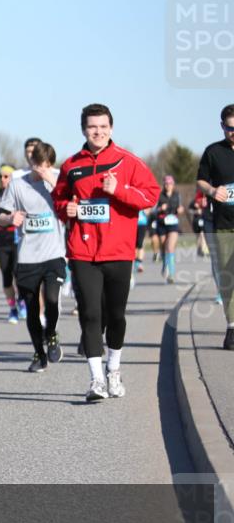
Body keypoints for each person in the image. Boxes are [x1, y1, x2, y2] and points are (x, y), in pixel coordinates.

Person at [53, 103, 160, 400]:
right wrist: (66, 209)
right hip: (82, 250)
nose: (97, 132)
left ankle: (114, 369)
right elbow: (59, 198)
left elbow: (151, 195)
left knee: (116, 316)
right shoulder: (71, 165)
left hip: (118, 251)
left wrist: (119, 190)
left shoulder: (128, 161)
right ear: (83, 130)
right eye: (91, 127)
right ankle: (96, 379)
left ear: (111, 128)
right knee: (89, 314)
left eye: (102, 127)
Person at [0, 141, 66, 372]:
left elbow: (71, 201)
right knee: (32, 309)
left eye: (46, 166)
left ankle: (52, 334)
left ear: (52, 164)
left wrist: (52, 181)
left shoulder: (59, 180)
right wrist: (10, 219)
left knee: (53, 300)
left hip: (54, 253)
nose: (42, 170)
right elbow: (0, 216)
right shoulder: (17, 185)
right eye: (38, 165)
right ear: (31, 163)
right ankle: (39, 353)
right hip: (27, 257)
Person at [195, 103, 234, 350]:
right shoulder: (212, 152)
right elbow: (200, 180)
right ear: (222, 127)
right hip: (223, 224)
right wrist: (211, 190)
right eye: (230, 128)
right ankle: (232, 326)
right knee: (228, 278)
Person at [0, 164, 23, 323]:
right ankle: (12, 309)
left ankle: (22, 301)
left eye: (6, 176)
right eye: (0, 176)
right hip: (2, 241)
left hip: (19, 240)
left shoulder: (20, 192)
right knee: (6, 278)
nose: (2, 179)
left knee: (19, 274)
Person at [154, 175, 184, 284]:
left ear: (173, 184)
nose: (168, 186)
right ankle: (164, 265)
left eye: (170, 184)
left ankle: (171, 274)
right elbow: (153, 210)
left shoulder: (177, 195)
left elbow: (180, 207)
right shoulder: (160, 196)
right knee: (163, 247)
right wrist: (160, 209)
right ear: (164, 185)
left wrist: (180, 209)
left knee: (170, 248)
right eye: (166, 184)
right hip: (162, 223)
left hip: (173, 223)